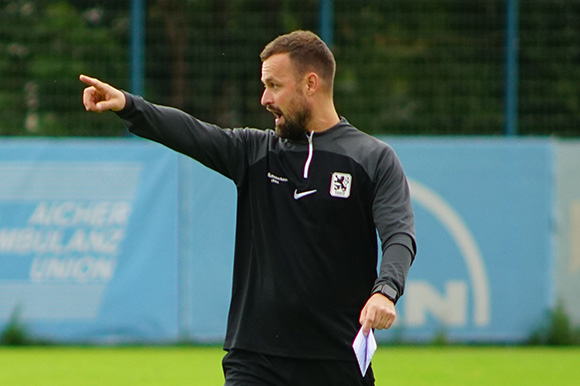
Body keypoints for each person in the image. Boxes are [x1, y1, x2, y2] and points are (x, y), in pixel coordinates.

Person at [81, 30, 416, 386]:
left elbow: (399, 235)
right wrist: (129, 105)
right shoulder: (255, 153)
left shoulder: (373, 158)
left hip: (337, 360)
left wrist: (385, 291)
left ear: (310, 84)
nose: (264, 98)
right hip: (255, 360)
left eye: (274, 85)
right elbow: (192, 133)